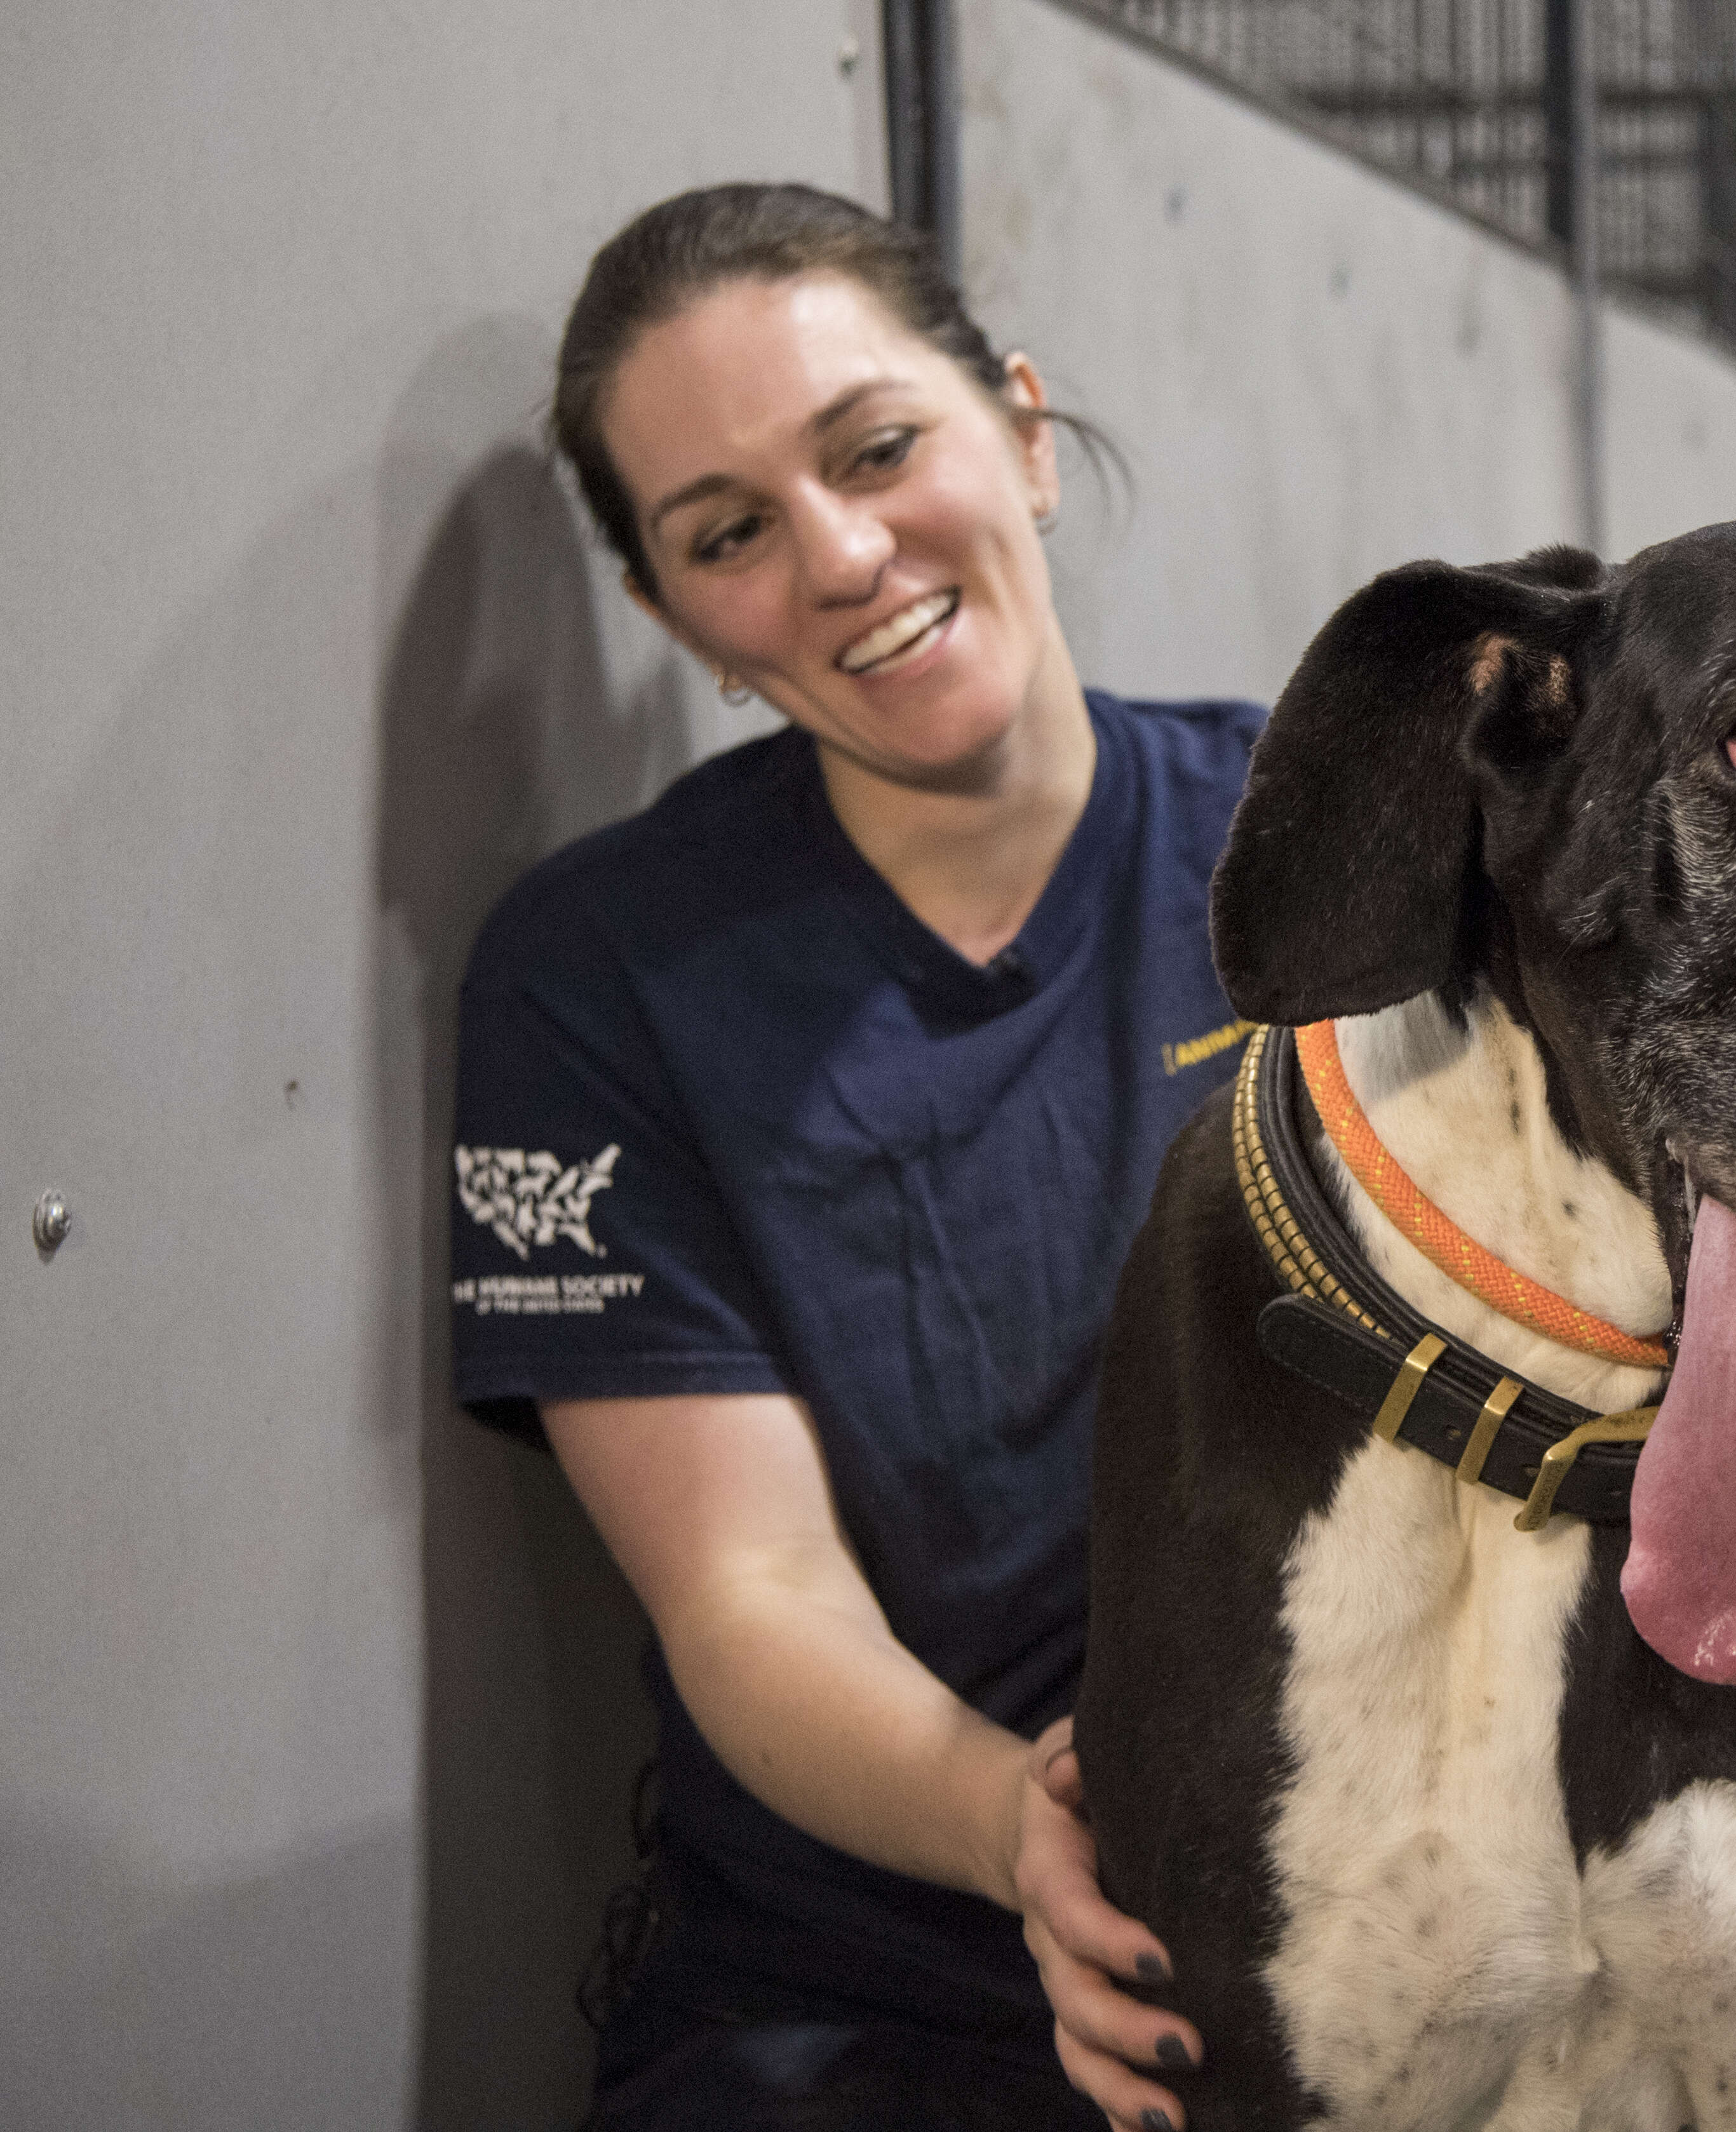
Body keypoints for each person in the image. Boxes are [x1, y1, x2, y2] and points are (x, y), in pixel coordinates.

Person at [451, 182, 1236, 2129]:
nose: (841, 555)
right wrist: (1015, 1831)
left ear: (1024, 434)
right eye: (727, 533)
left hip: (1365, 1914)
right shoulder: (598, 973)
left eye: (877, 449)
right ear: (669, 617)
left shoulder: (1320, 846)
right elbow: (746, 1592)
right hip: (862, 1981)